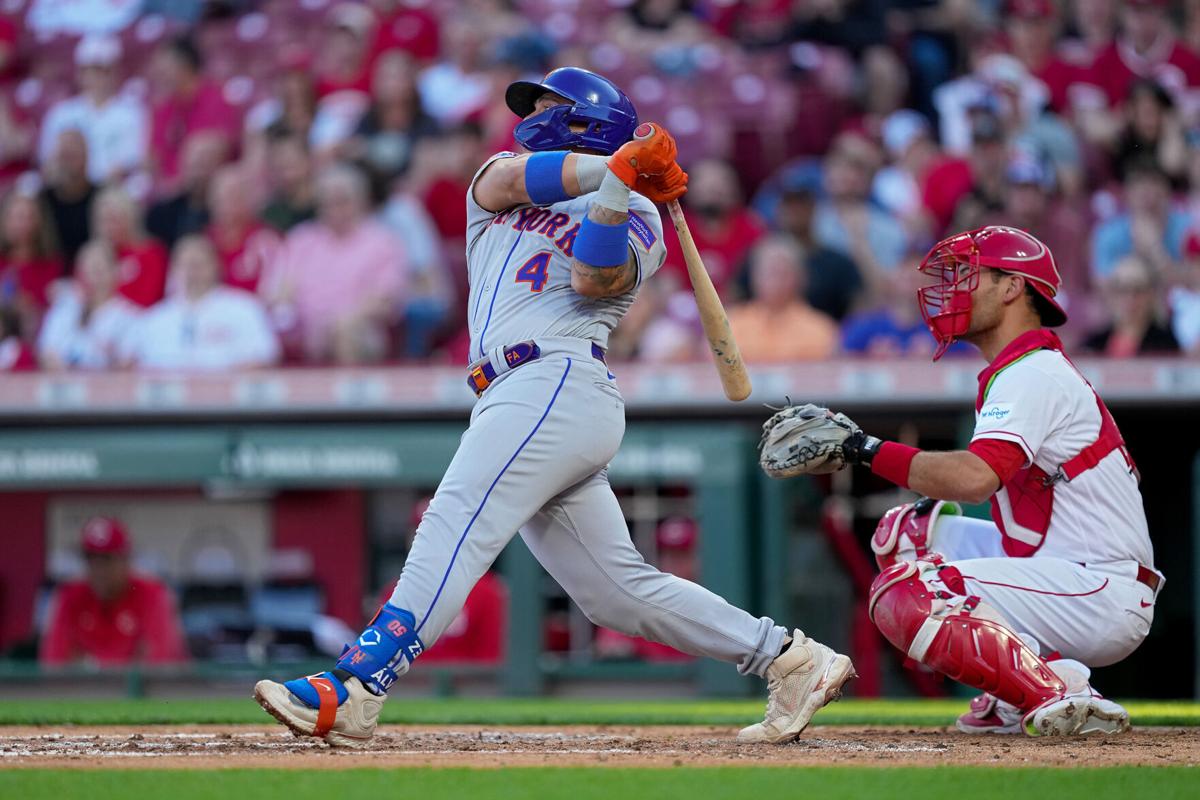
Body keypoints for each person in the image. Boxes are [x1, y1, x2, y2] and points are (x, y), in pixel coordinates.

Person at [254, 66, 854, 748]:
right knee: (614, 593)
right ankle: (788, 657)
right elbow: (516, 181)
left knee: (456, 518)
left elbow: (594, 277)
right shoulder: (503, 177)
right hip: (516, 394)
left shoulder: (644, 218)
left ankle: (358, 684)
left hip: (557, 379)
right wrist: (615, 167)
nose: (533, 114)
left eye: (549, 105)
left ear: (588, 118)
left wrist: (619, 185)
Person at [761, 226, 1159, 736]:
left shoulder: (1033, 371)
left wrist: (862, 449)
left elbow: (975, 480)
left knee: (907, 592)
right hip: (1064, 565)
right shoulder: (1023, 368)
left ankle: (1058, 693)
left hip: (1100, 589)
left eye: (969, 276)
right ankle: (1024, 688)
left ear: (1013, 287)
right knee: (907, 534)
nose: (953, 291)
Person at [261, 163, 406, 364]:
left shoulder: (381, 242)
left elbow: (385, 300)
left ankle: (351, 394)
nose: (335, 209)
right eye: (328, 202)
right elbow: (276, 291)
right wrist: (286, 307)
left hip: (358, 327)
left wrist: (339, 322)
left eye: (343, 201)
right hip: (304, 328)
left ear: (361, 202)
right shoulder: (302, 240)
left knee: (346, 331)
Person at [39, 516, 189, 667]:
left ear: (126, 559)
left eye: (107, 559)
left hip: (142, 690)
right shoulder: (71, 595)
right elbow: (53, 663)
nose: (99, 569)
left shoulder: (151, 593)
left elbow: (162, 664)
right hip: (88, 689)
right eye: (91, 559)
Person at [123, 235, 279, 371]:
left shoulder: (244, 308)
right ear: (174, 270)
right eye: (186, 265)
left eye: (199, 264)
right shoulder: (154, 318)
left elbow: (264, 357)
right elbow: (128, 362)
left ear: (217, 267)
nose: (193, 272)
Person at [36, 34, 148, 186]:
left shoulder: (132, 113)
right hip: (70, 188)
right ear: (79, 73)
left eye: (102, 70)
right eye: (88, 70)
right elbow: (48, 161)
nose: (95, 77)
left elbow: (133, 161)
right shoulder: (62, 113)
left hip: (114, 190)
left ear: (115, 72)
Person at [728, 236, 838, 363]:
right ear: (753, 276)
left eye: (782, 272)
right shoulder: (731, 324)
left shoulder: (821, 329)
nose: (775, 280)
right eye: (768, 272)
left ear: (801, 277)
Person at [38, 240, 142, 370]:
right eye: (87, 270)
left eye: (98, 270)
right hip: (65, 385)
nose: (92, 278)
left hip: (107, 388)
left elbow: (126, 363)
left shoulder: (129, 316)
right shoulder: (64, 309)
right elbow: (46, 354)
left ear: (115, 271)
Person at [1082, 253, 1181, 355]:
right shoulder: (1092, 345)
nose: (1130, 298)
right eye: (1122, 289)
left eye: (1138, 289)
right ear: (1112, 294)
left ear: (1151, 294)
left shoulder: (1167, 345)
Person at [205, 164, 282, 294]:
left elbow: (277, 289)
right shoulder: (204, 242)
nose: (225, 204)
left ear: (249, 200)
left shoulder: (267, 240)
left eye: (233, 196)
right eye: (219, 197)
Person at [0, 185, 63, 337]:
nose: (21, 225)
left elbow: (56, 312)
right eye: (15, 217)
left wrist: (31, 308)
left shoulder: (52, 265)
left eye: (27, 217)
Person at [92, 187, 169, 308]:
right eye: (103, 220)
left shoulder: (151, 253)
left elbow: (150, 299)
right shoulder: (93, 257)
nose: (108, 227)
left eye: (114, 219)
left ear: (130, 218)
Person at [40, 129, 97, 270]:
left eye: (74, 154)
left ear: (87, 155)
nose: (70, 161)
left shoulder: (101, 197)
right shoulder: (42, 201)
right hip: (50, 275)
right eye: (65, 155)